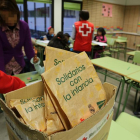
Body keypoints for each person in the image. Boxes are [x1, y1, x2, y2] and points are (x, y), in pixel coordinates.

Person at [0, 0, 35, 75]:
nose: (9, 20)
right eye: (4, 17)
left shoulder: (24, 26)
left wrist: (37, 67)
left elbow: (29, 50)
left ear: (17, 12)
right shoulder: (0, 28)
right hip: (4, 71)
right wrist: (2, 77)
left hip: (20, 68)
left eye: (11, 15)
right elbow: (0, 56)